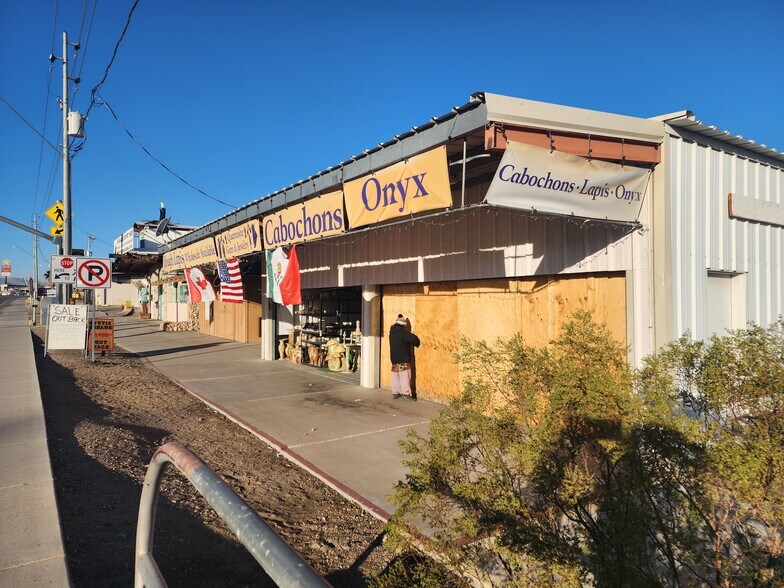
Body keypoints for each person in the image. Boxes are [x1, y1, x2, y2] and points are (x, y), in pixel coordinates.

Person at [389, 314, 420, 400]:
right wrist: (416, 341)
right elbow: (414, 339)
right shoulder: (403, 333)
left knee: (395, 377)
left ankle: (395, 392)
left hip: (394, 359)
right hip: (403, 359)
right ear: (404, 325)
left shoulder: (391, 333)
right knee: (405, 377)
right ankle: (406, 394)